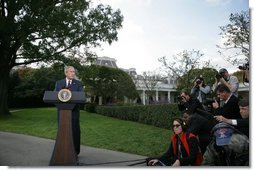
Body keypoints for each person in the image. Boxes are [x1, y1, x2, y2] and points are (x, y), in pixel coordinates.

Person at [55, 66, 84, 155]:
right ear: (66, 73)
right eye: (71, 71)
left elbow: (81, 97)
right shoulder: (59, 83)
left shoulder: (78, 84)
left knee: (75, 131)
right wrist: (60, 107)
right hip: (62, 112)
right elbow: (54, 96)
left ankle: (75, 152)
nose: (73, 73)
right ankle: (62, 151)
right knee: (62, 132)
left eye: (74, 72)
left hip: (74, 112)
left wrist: (71, 106)